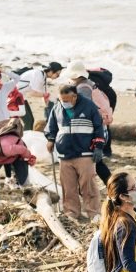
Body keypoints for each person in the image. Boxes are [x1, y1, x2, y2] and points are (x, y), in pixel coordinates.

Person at [44, 84, 105, 220]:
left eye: (66, 100)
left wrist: (99, 146)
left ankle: (94, 213)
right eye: (61, 100)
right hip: (65, 155)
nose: (64, 103)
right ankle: (71, 212)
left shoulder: (89, 106)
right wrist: (51, 139)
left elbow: (98, 127)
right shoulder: (57, 107)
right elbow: (51, 127)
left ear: (74, 96)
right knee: (68, 187)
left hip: (85, 153)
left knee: (88, 185)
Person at [64, 61, 115, 183]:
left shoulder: (83, 88)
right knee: (97, 164)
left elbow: (83, 112)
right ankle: (112, 186)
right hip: (99, 129)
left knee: (93, 163)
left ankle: (113, 186)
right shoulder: (89, 84)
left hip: (93, 132)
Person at [15, 61, 62, 129]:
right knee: (28, 121)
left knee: (30, 120)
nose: (58, 76)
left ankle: (26, 134)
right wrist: (45, 95)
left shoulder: (43, 77)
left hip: (20, 97)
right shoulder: (38, 75)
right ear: (51, 71)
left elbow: (46, 97)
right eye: (57, 74)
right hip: (14, 97)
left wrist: (51, 110)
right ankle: (26, 135)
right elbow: (32, 93)